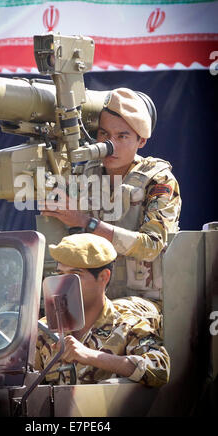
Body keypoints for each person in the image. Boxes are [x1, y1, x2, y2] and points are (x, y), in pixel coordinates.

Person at [40, 88, 182, 301]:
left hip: (144, 303)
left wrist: (85, 221)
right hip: (92, 300)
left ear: (141, 140)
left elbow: (152, 246)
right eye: (104, 134)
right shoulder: (85, 174)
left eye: (122, 136)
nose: (109, 145)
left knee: (111, 330)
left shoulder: (158, 180)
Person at [35, 234, 170, 387]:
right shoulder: (43, 330)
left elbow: (159, 370)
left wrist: (91, 356)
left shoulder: (128, 324)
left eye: (75, 276)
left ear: (103, 277)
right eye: (60, 274)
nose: (63, 284)